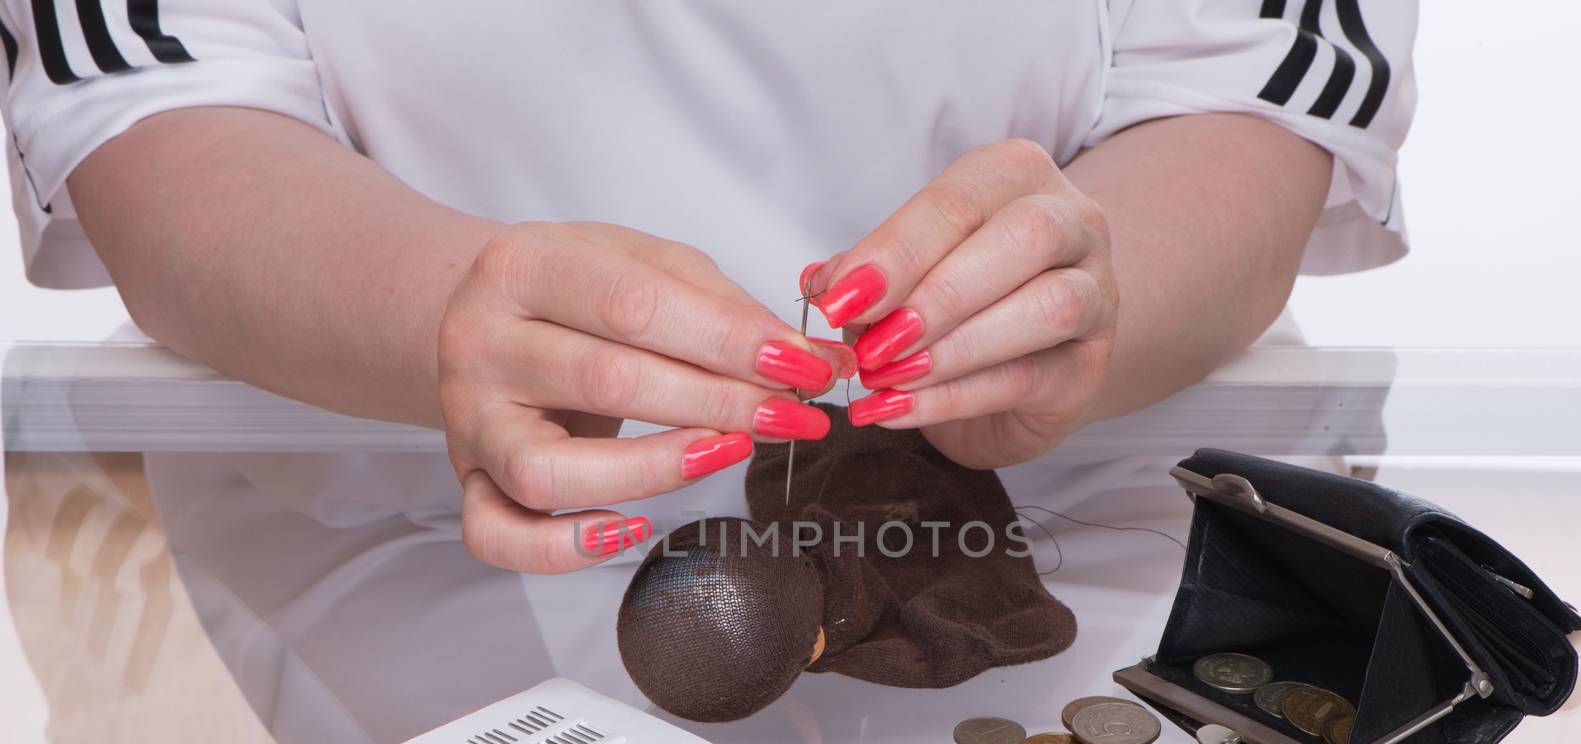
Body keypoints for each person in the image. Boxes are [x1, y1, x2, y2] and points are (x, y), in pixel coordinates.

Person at [2, 1, 1414, 575]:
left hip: (1089, 471)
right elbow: (154, 99)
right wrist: (455, 320)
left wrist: (1086, 300)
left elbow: (1258, 86)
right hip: (417, 486)